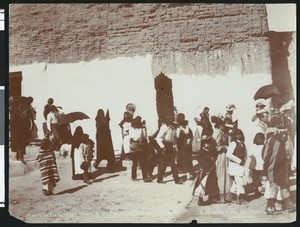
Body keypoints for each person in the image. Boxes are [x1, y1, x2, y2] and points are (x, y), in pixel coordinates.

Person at [262, 123, 291, 215]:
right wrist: (267, 170)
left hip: (280, 169)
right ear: (277, 133)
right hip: (273, 169)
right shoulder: (274, 142)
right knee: (274, 188)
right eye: (282, 133)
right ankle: (270, 208)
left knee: (283, 186)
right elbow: (268, 157)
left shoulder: (281, 142)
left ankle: (288, 204)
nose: (284, 135)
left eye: (285, 133)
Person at [155, 115, 183, 184]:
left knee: (173, 163)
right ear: (167, 120)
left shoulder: (173, 127)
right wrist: (162, 147)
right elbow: (158, 138)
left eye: (172, 119)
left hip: (170, 145)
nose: (170, 120)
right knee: (163, 164)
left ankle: (177, 180)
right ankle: (159, 179)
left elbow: (176, 136)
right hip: (164, 145)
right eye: (169, 119)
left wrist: (178, 128)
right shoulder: (164, 127)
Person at [193, 135, 218, 205]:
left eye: (209, 144)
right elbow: (202, 162)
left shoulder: (208, 151)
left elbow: (213, 156)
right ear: (203, 144)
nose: (208, 145)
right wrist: (206, 170)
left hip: (210, 170)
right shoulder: (202, 152)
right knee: (202, 185)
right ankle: (200, 200)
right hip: (204, 171)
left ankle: (211, 198)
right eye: (207, 144)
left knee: (210, 184)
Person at [212, 117, 232, 203]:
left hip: (225, 156)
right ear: (220, 125)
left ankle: (227, 195)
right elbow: (215, 147)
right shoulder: (217, 133)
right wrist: (224, 147)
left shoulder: (225, 132)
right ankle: (221, 196)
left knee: (226, 174)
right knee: (221, 174)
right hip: (220, 156)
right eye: (224, 125)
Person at [226, 129, 248, 205]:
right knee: (240, 182)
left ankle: (229, 197)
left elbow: (245, 154)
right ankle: (240, 198)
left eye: (240, 134)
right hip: (235, 166)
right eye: (237, 134)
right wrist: (238, 161)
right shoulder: (233, 143)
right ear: (234, 136)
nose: (239, 136)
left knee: (236, 183)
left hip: (241, 166)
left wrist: (244, 161)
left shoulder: (243, 144)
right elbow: (228, 154)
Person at [10, 96, 33, 164]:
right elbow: (29, 120)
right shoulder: (27, 110)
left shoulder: (16, 110)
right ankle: (21, 158)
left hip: (16, 129)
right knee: (22, 144)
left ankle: (19, 157)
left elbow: (13, 121)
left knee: (18, 143)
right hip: (24, 129)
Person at [128, 116, 152, 182]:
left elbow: (144, 137)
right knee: (135, 163)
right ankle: (133, 177)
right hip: (135, 147)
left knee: (143, 162)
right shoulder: (132, 128)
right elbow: (133, 137)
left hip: (141, 147)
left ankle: (145, 177)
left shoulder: (142, 128)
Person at [175, 113, 194, 179]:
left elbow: (187, 133)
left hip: (185, 146)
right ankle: (186, 173)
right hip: (182, 146)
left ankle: (187, 173)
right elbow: (177, 136)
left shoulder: (183, 126)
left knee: (185, 159)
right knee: (184, 159)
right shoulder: (179, 127)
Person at [248, 132, 265, 198]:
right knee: (259, 179)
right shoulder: (261, 146)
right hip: (259, 165)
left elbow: (249, 154)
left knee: (259, 179)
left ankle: (259, 191)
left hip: (258, 165)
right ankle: (260, 191)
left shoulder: (255, 146)